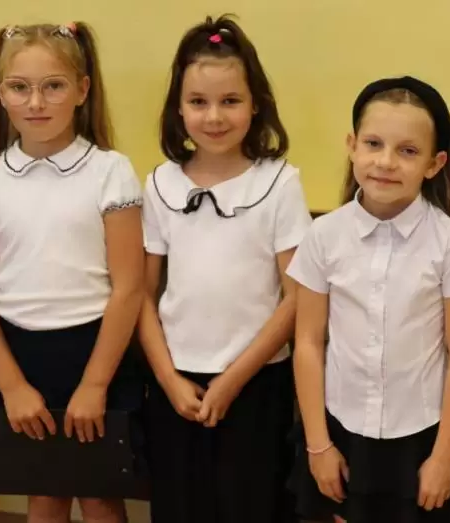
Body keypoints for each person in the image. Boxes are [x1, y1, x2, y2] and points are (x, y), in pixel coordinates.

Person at [287, 75, 450, 523]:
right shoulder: (324, 236)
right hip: (341, 433)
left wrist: (443, 458)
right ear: (352, 146)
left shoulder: (449, 241)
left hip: (422, 438)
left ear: (434, 164)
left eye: (408, 151)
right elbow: (307, 343)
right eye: (373, 144)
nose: (385, 162)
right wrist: (318, 445)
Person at [0, 22, 144, 523]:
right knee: (44, 495)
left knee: (99, 498)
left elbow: (129, 287)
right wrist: (12, 385)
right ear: (1, 94)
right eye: (20, 87)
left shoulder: (110, 172)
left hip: (96, 349)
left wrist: (95, 384)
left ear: (82, 90)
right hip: (19, 356)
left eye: (53, 86)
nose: (36, 102)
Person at [138, 14, 312, 523]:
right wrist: (168, 378)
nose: (214, 116)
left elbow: (297, 297)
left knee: (252, 504)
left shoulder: (279, 183)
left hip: (257, 381)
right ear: (178, 108)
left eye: (230, 101)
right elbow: (141, 295)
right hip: (176, 383)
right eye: (198, 102)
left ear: (255, 104)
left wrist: (233, 379)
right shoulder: (160, 185)